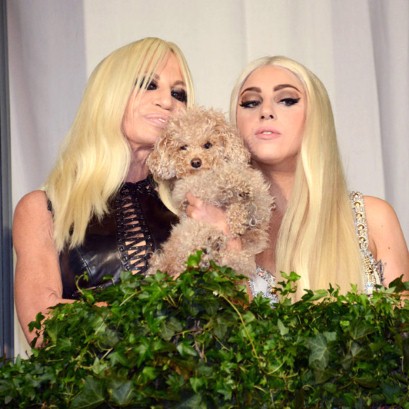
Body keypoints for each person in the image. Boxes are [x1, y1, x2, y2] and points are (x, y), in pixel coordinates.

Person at [13, 37, 195, 345]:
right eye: (149, 85)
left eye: (179, 94)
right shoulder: (42, 207)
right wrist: (156, 309)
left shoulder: (194, 204)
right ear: (109, 94)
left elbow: (230, 308)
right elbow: (41, 325)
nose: (167, 102)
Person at [226, 55, 409, 302]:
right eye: (250, 102)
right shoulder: (220, 230)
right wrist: (229, 248)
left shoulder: (372, 219)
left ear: (316, 116)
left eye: (287, 100)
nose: (265, 111)